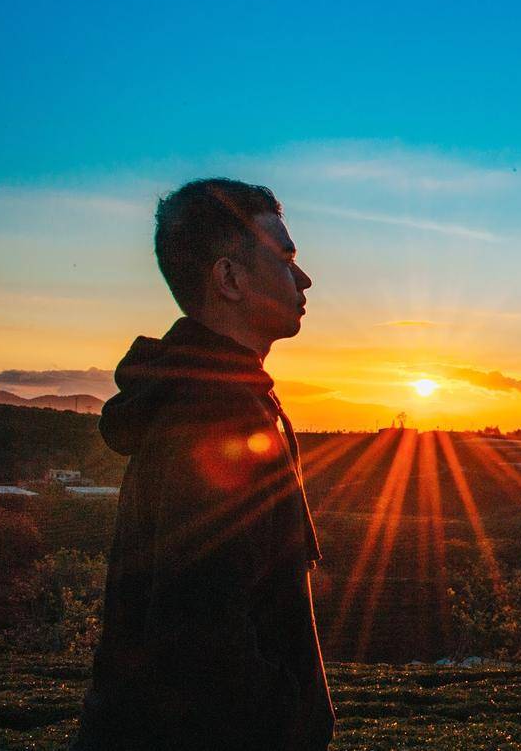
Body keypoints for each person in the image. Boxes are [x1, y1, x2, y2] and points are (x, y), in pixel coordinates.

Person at [71, 178, 334, 750]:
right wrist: (288, 720)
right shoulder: (217, 416)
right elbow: (198, 631)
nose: (304, 277)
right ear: (230, 279)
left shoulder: (211, 395)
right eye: (286, 258)